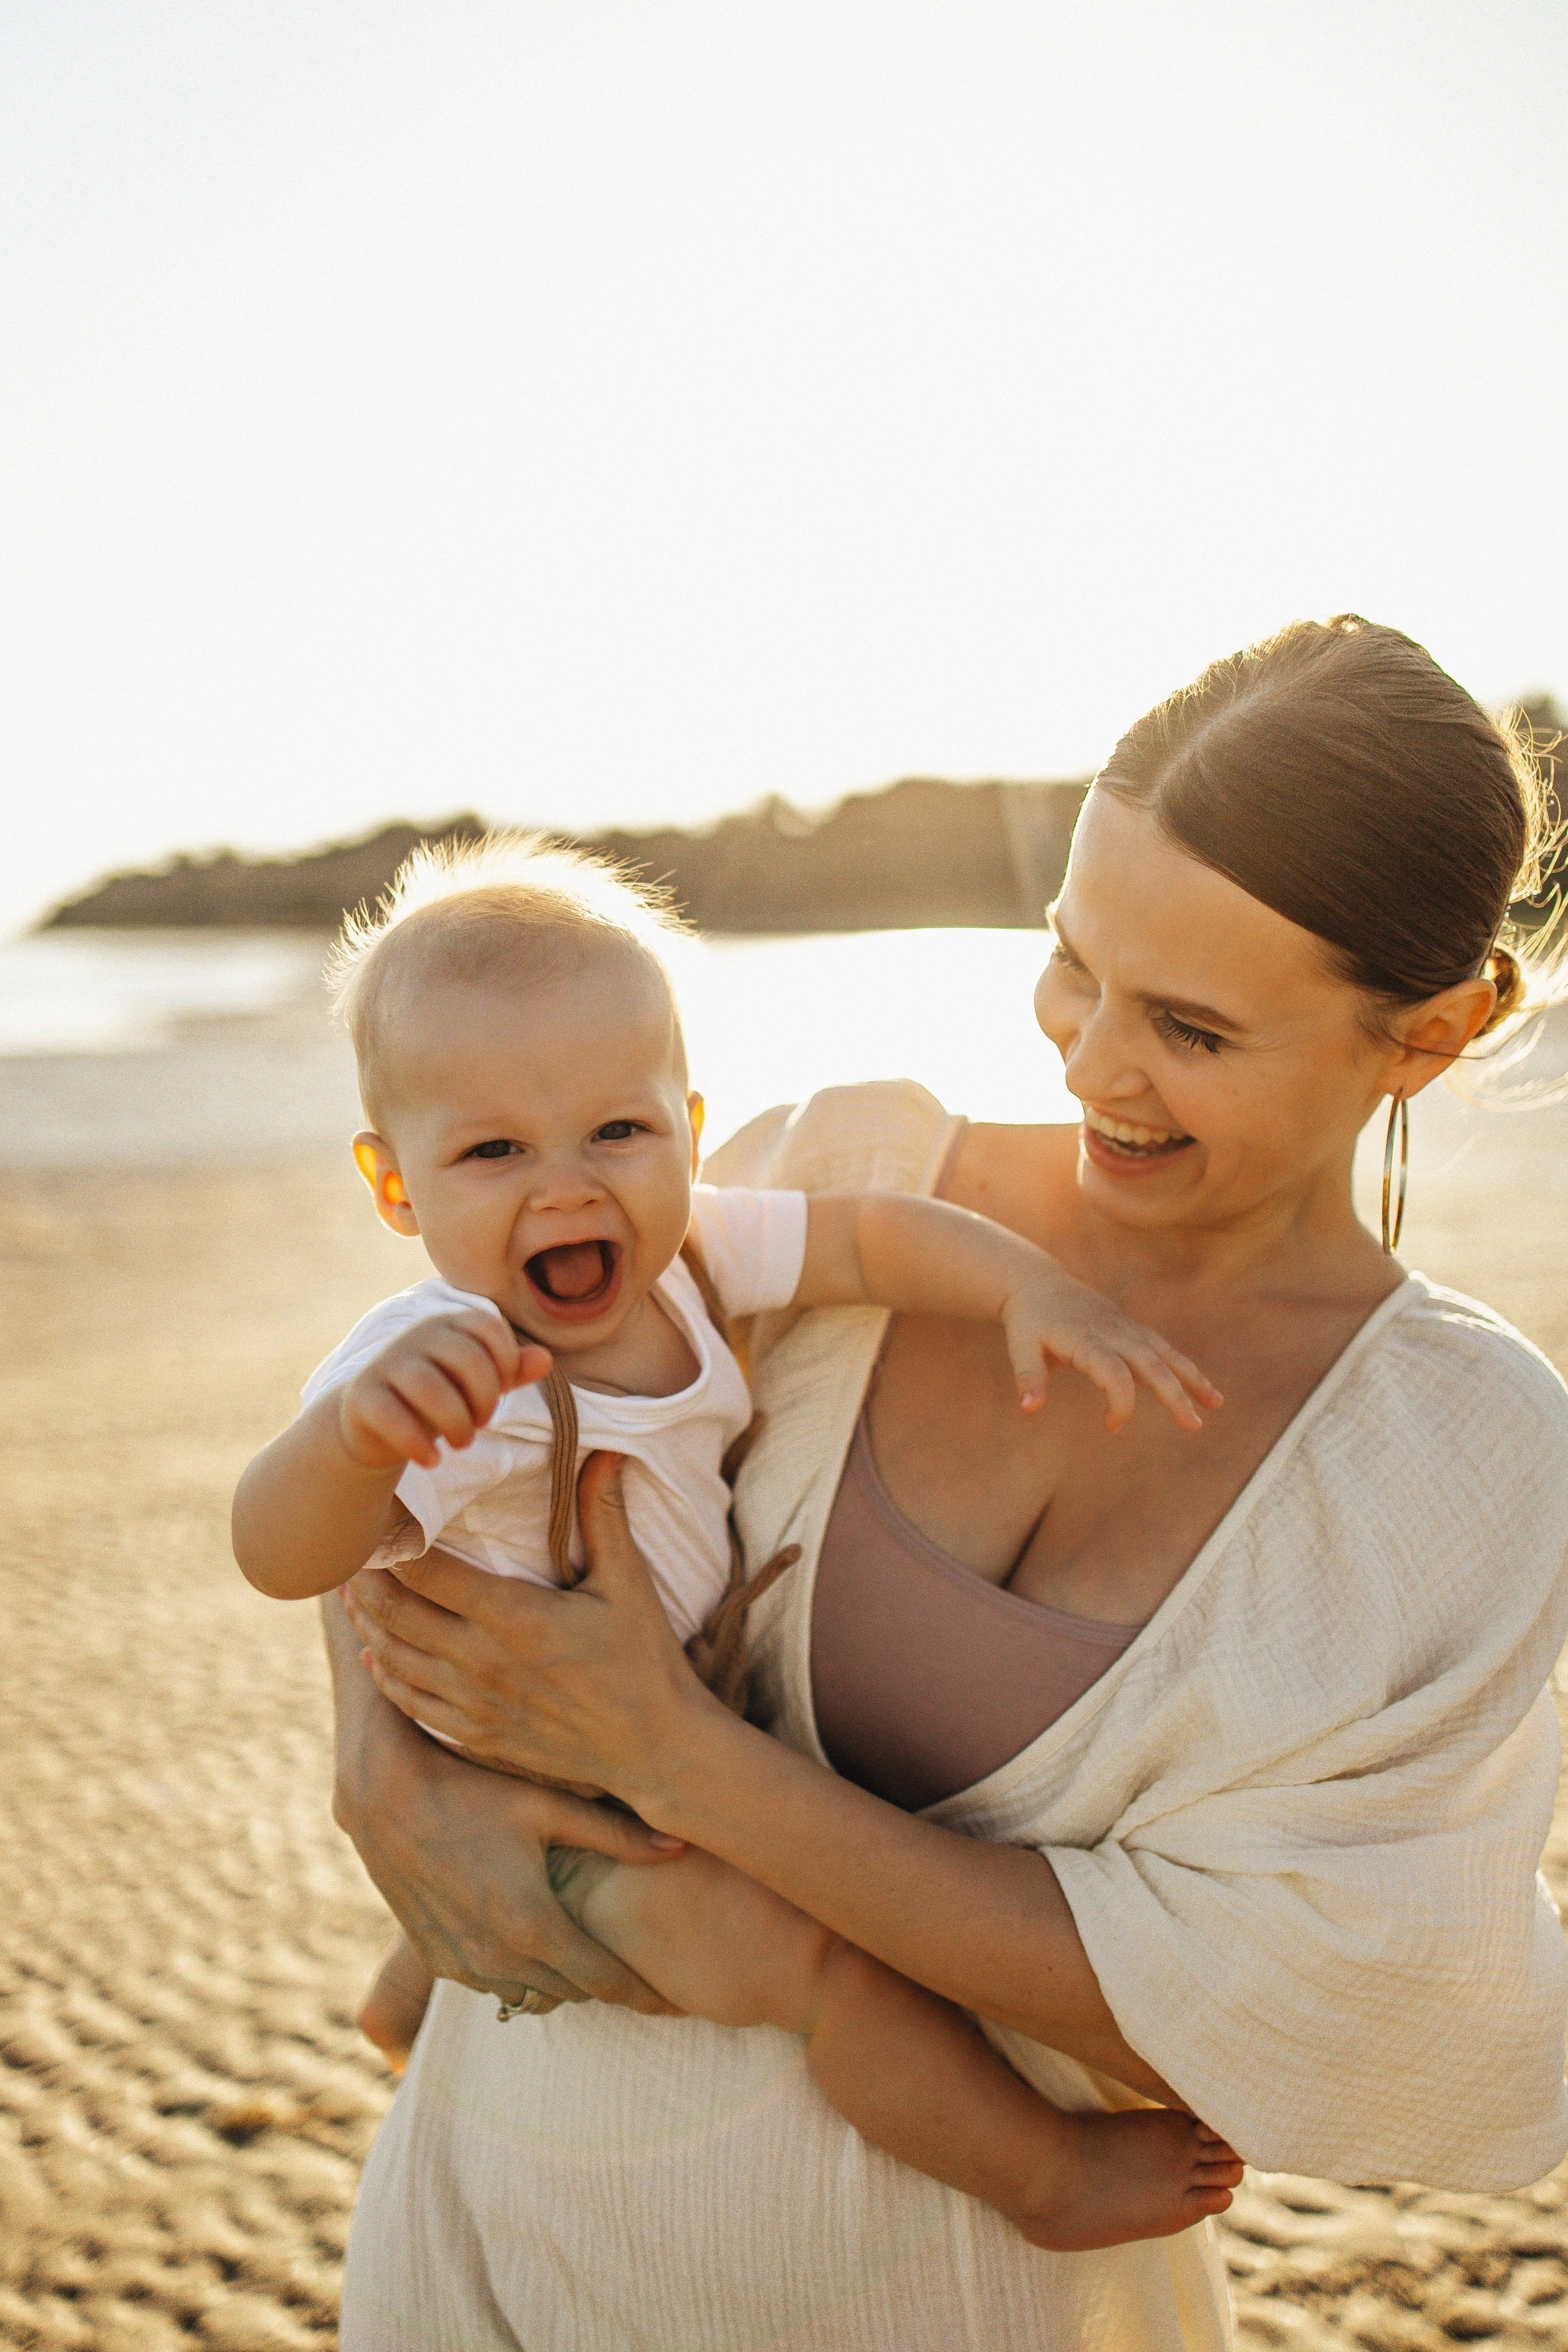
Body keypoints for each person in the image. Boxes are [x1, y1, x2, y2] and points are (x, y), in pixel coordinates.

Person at [330, 617, 1568, 2351]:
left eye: (1191, 1031)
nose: (1087, 1063)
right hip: (500, 2232)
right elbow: (453, 1420)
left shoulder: (1460, 1461)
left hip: (988, 2303)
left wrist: (672, 1755)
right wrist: (374, 1762)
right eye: (1073, 967)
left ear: (1433, 1031)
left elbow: (1259, 2010)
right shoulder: (856, 1176)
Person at [231, 832, 1235, 2248]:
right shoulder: (434, 1358)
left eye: (616, 1133)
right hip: (563, 1797)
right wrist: (346, 1441)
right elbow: (277, 1552)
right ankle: (1039, 2178)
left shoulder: (692, 1254)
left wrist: (1026, 1290)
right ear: (396, 1188)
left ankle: (405, 1999)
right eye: (494, 1151)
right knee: (816, 1964)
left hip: (660, 1713)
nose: (570, 1188)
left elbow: (872, 1240)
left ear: (688, 1129)